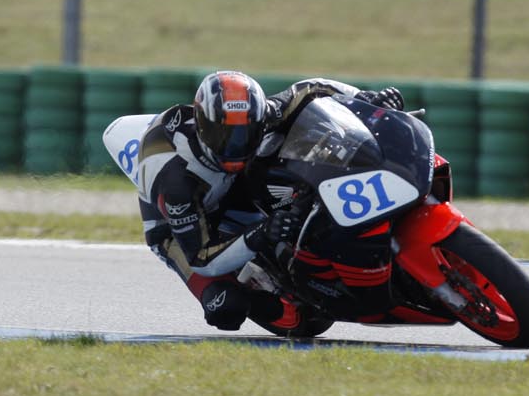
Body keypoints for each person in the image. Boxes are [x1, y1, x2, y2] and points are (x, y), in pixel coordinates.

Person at [135, 70, 404, 332]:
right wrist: (260, 234)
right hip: (182, 228)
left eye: (245, 133)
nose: (235, 147)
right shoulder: (177, 183)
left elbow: (311, 90)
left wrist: (366, 100)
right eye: (225, 137)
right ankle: (262, 287)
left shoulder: (262, 115)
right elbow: (202, 258)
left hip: (231, 184)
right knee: (226, 307)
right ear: (203, 127)